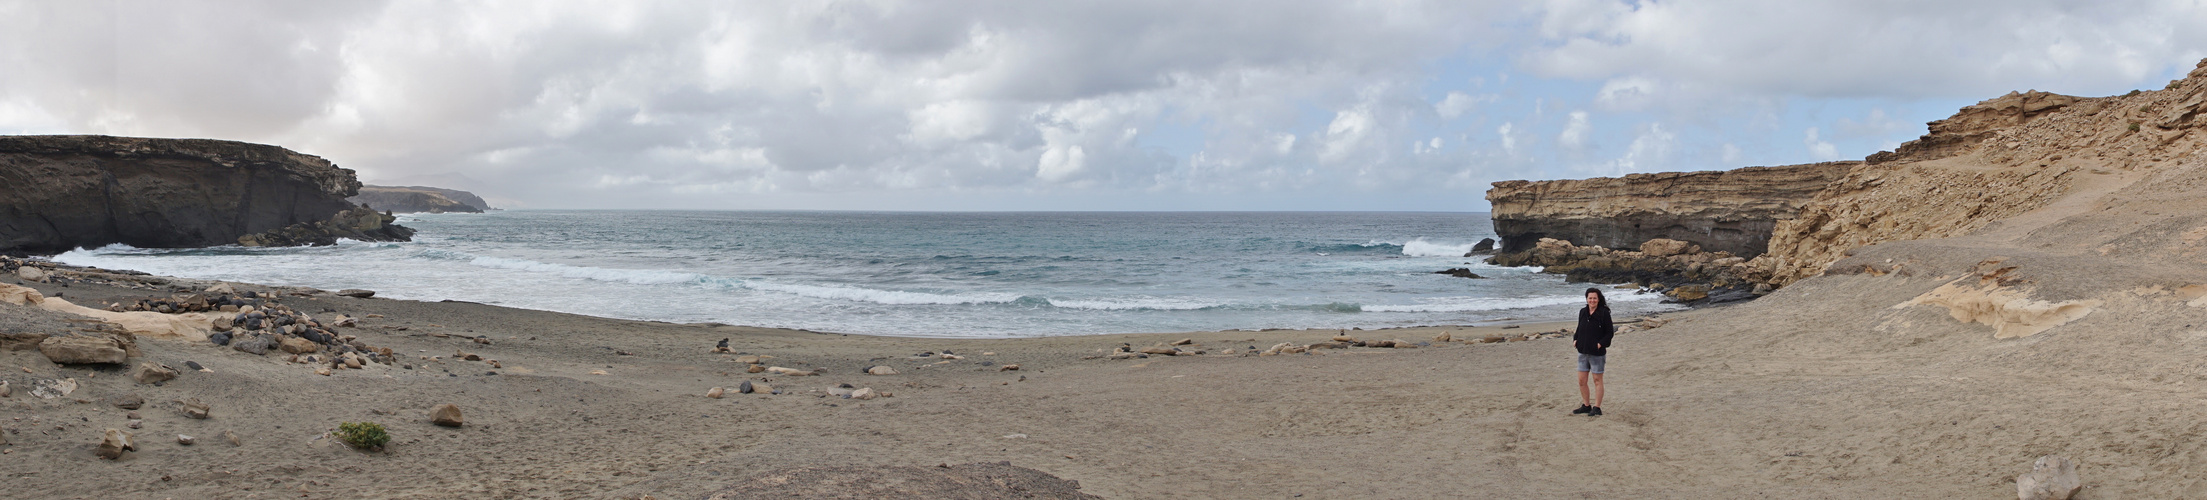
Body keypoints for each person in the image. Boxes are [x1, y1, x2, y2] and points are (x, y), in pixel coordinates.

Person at [1571, 287, 1614, 416]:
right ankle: (1586, 405)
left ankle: (1597, 407)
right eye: (1590, 298)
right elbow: (1579, 328)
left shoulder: (1604, 313)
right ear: (1586, 299)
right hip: (1582, 351)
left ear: (1598, 299)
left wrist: (1600, 344)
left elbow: (1609, 332)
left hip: (1597, 353)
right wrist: (1575, 339)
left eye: (1594, 298)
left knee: (1597, 380)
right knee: (1582, 381)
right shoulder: (1583, 312)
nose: (1592, 300)